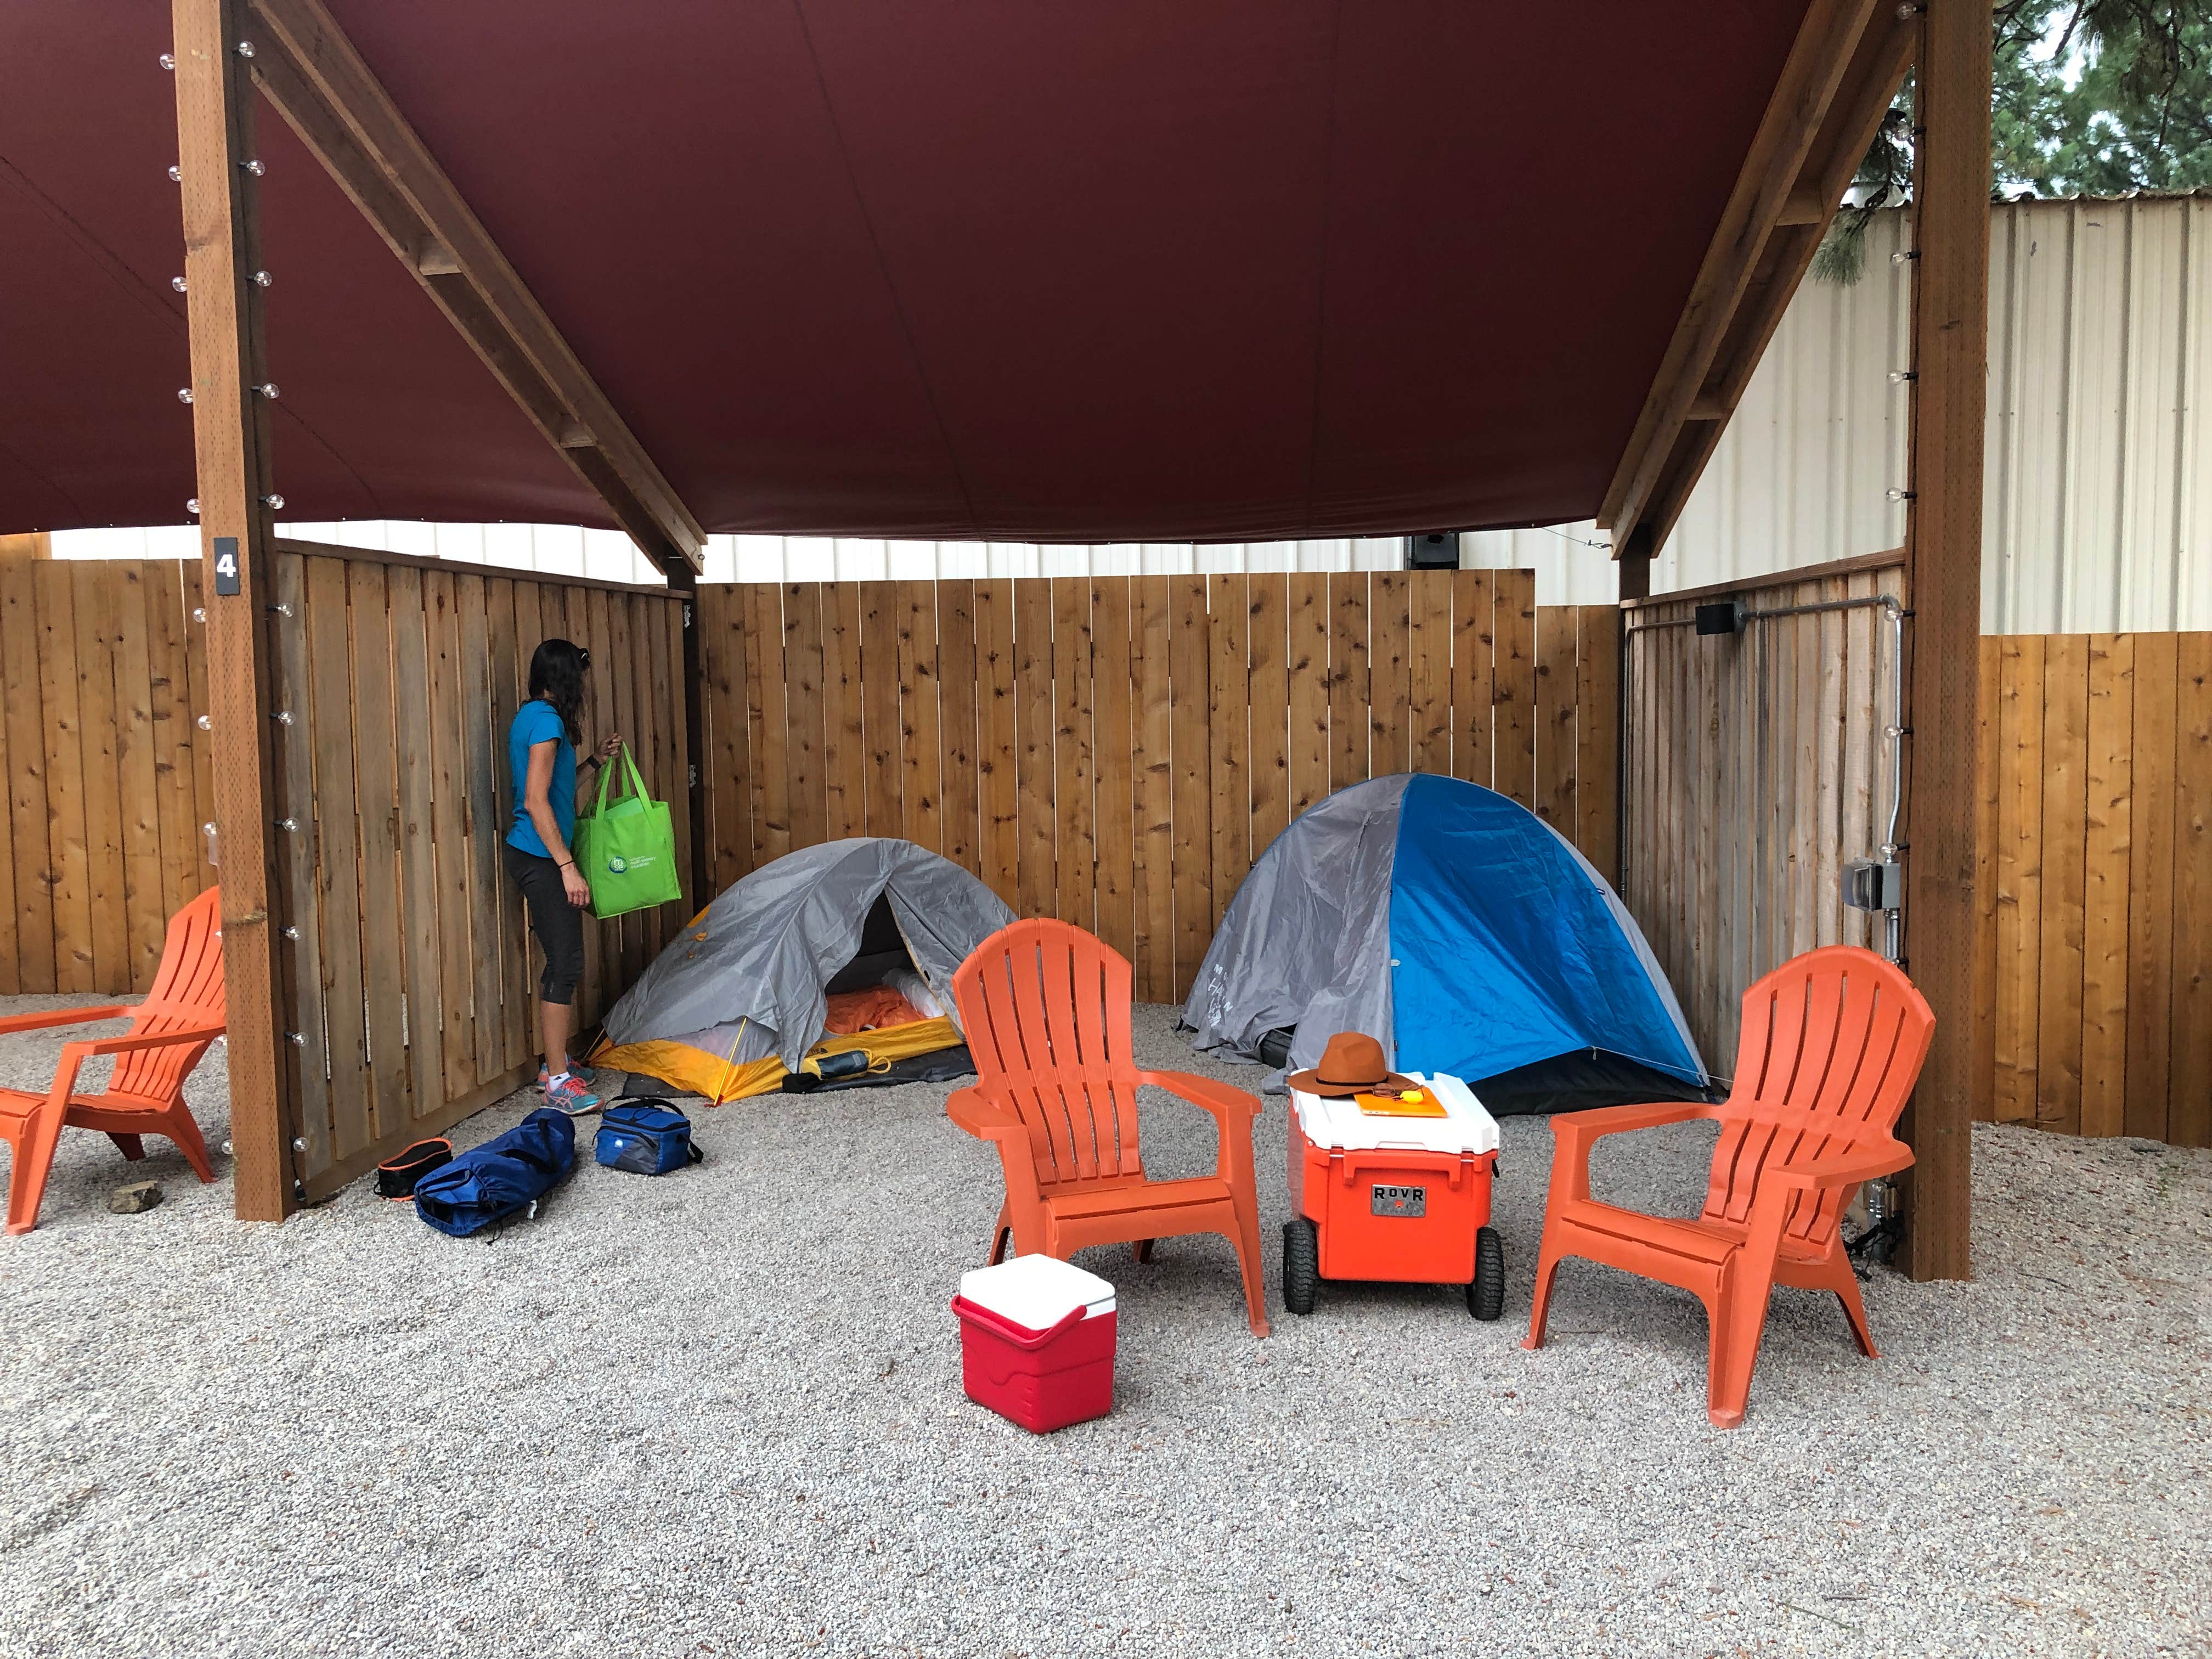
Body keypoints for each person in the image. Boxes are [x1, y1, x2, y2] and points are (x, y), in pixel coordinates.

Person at [505, 639, 620, 1111]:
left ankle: (557, 1065)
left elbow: (555, 790)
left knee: (564, 960)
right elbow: (535, 801)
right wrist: (567, 867)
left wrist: (594, 760)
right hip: (542, 858)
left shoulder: (530, 716)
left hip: (536, 855)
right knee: (566, 964)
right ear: (567, 678)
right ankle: (556, 1081)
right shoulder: (549, 724)